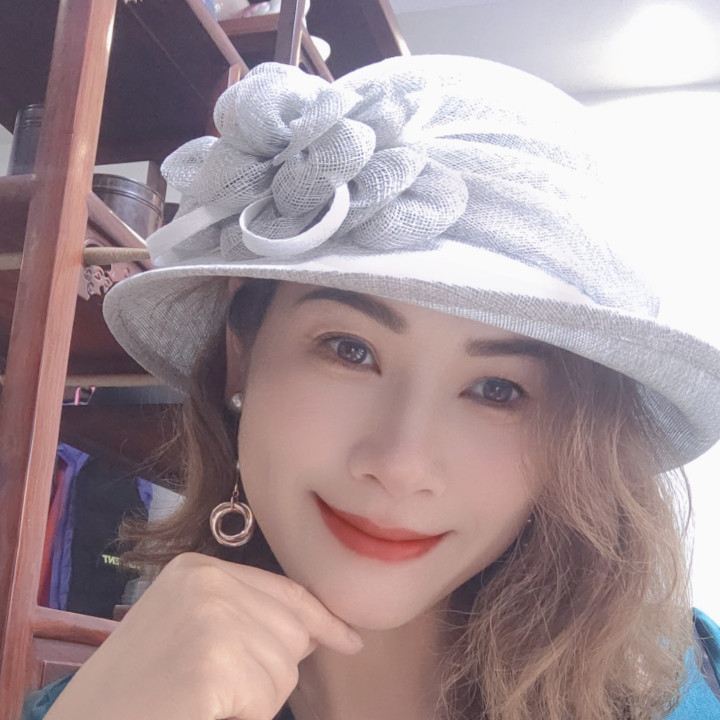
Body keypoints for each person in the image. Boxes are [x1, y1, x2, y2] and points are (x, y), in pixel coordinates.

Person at [24, 56, 720, 720]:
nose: (400, 465)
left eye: (498, 390)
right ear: (241, 355)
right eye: (350, 350)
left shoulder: (687, 689)